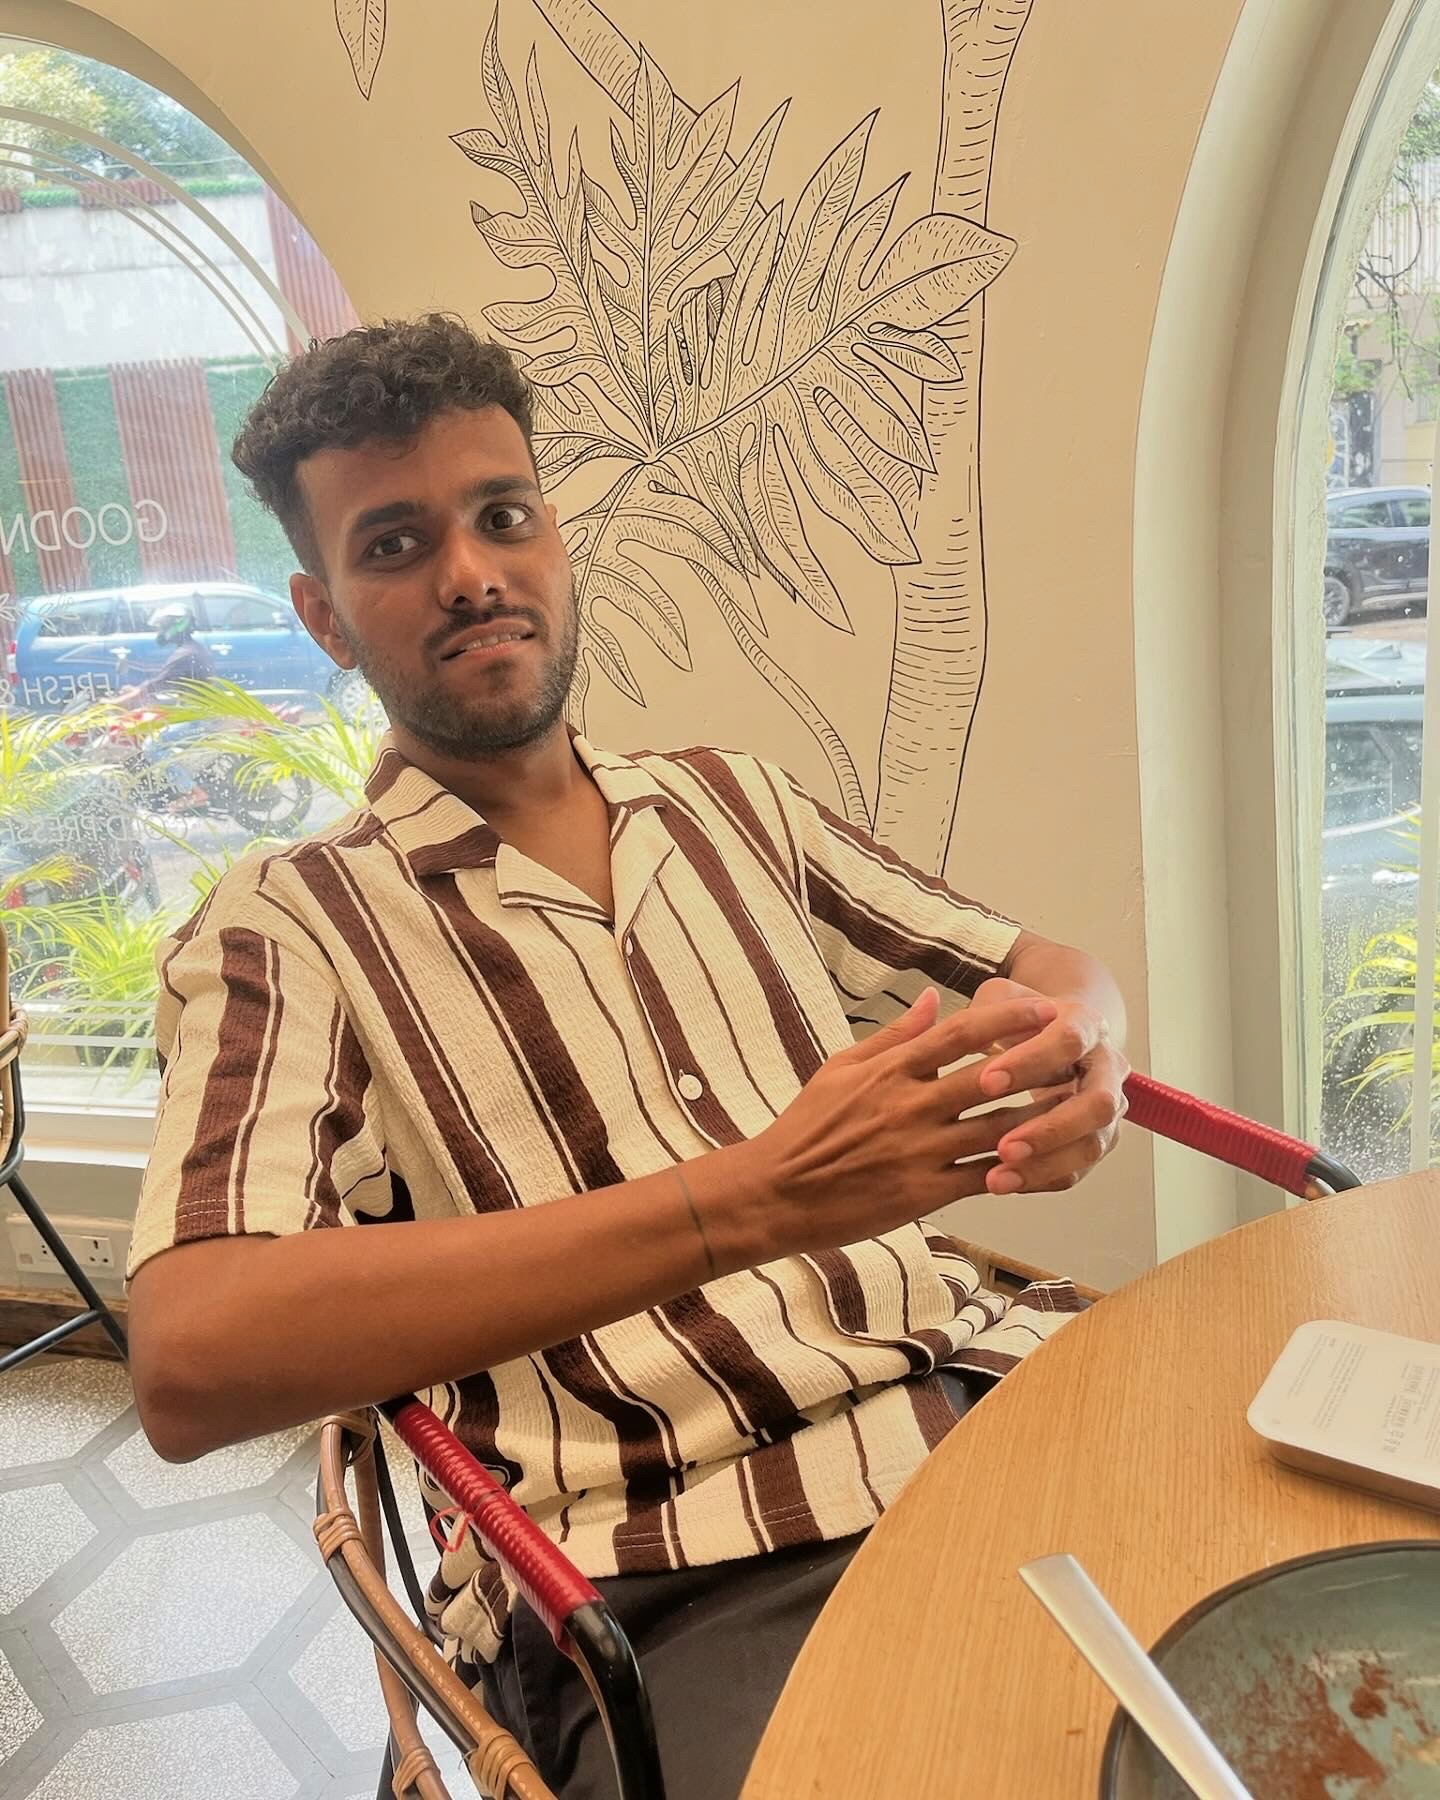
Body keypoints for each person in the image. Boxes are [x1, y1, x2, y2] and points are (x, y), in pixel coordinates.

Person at [126, 316, 1129, 1800]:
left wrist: (1082, 1062)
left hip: (997, 1403)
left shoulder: (737, 804)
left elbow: (1045, 970)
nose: (471, 572)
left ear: (555, 540)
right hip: (676, 1566)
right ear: (325, 615)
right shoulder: (292, 923)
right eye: (396, 545)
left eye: (502, 516)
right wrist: (751, 1202)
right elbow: (191, 1357)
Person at [113, 603, 216, 811]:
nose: (160, 632)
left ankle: (193, 793)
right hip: (195, 712)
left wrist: (117, 702)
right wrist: (135, 692)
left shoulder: (186, 654)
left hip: (199, 718)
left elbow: (155, 684)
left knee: (153, 745)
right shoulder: (190, 650)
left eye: (163, 626)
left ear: (177, 625)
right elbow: (162, 683)